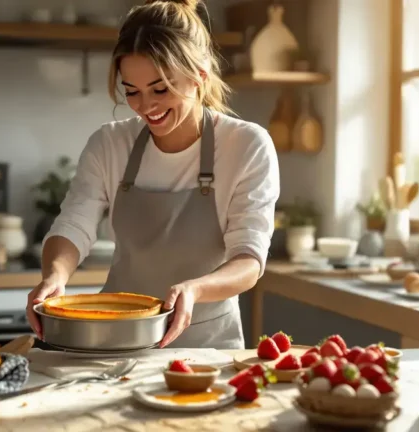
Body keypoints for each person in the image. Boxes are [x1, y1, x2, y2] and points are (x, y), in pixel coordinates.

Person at [25, 0, 280, 349]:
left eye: (160, 89)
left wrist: (196, 289)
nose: (146, 106)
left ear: (199, 76)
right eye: (132, 91)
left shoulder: (246, 145)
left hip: (206, 348)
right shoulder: (110, 143)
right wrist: (55, 275)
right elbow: (73, 224)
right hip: (115, 339)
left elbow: (249, 260)